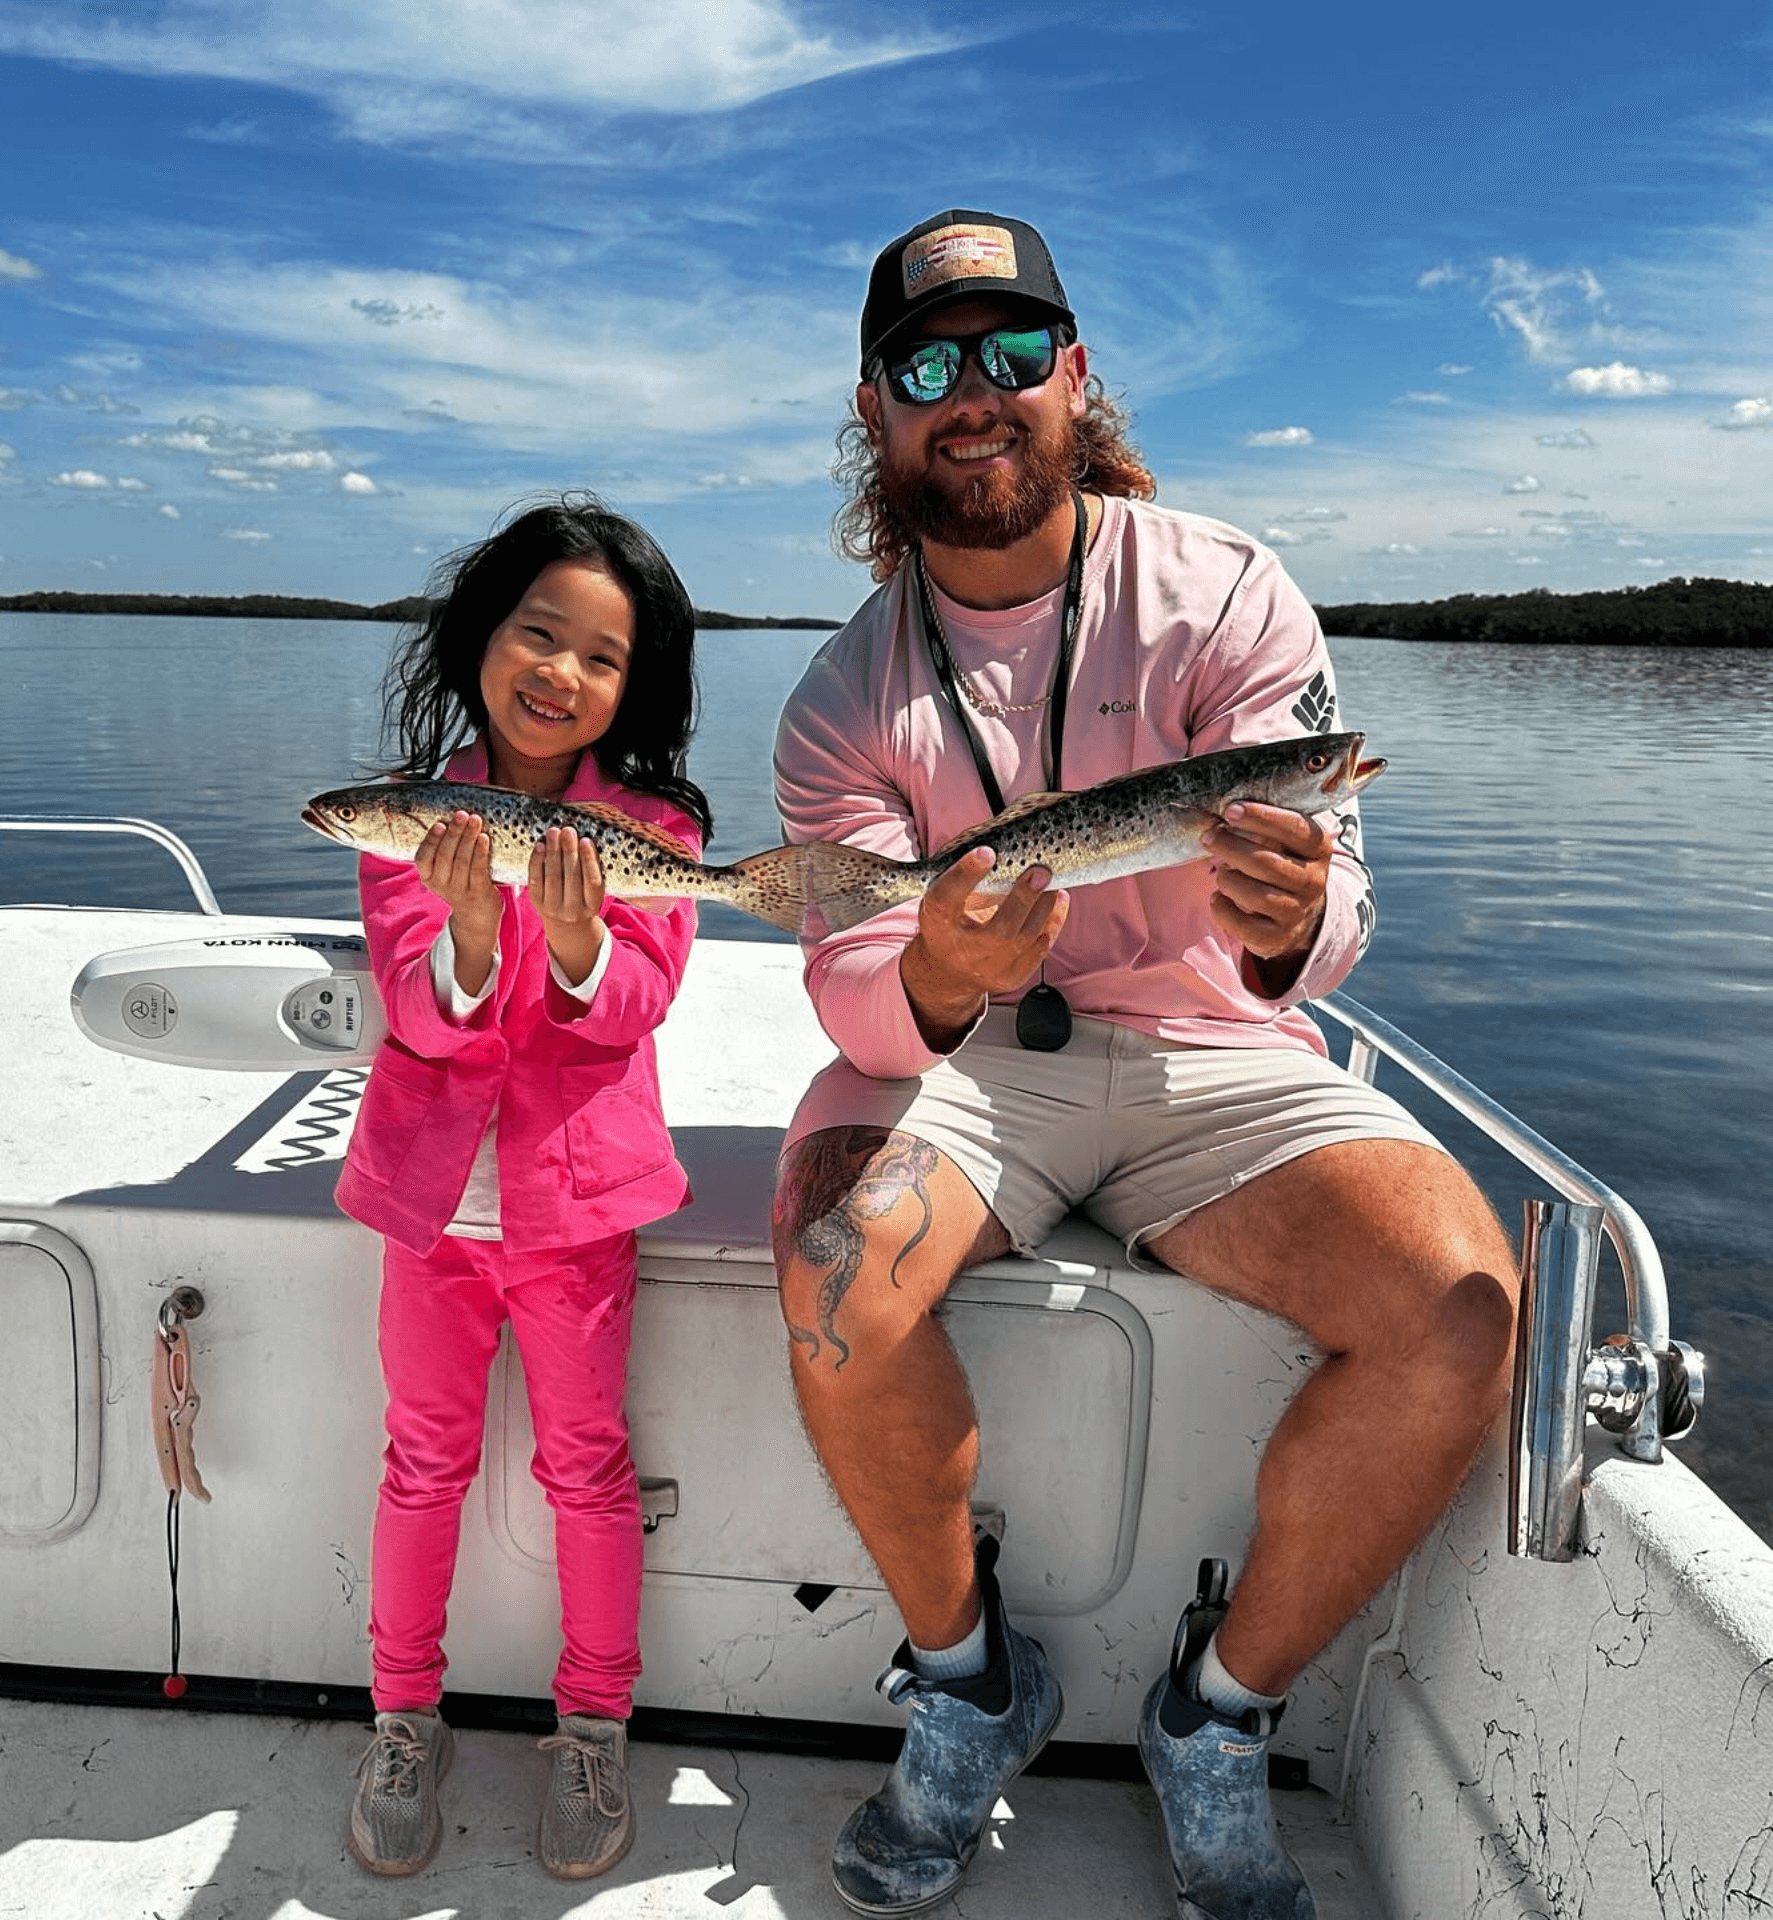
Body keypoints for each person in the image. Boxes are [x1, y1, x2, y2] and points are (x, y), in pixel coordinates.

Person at [771, 210, 1519, 1919]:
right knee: (831, 1279)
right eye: (929, 365)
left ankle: (1218, 1711)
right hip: (973, 1069)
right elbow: (852, 985)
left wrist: (1289, 917)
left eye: (1015, 352)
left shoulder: (1228, 588)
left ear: (1078, 377)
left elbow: (1335, 929)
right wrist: (937, 977)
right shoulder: (838, 700)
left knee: (1466, 1308)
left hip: (1217, 1046)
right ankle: (972, 1684)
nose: (979, 395)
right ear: (878, 414)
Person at [334, 495, 712, 1883]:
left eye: (598, 656)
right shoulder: (415, 821)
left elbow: (635, 1007)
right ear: (482, 637)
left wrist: (570, 942)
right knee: (420, 1461)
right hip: (432, 1221)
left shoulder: (655, 826)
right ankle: (401, 1716)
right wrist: (477, 932)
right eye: (537, 634)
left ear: (635, 685)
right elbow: (420, 1017)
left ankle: (596, 1724)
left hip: (576, 1223)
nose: (560, 672)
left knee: (586, 1470)